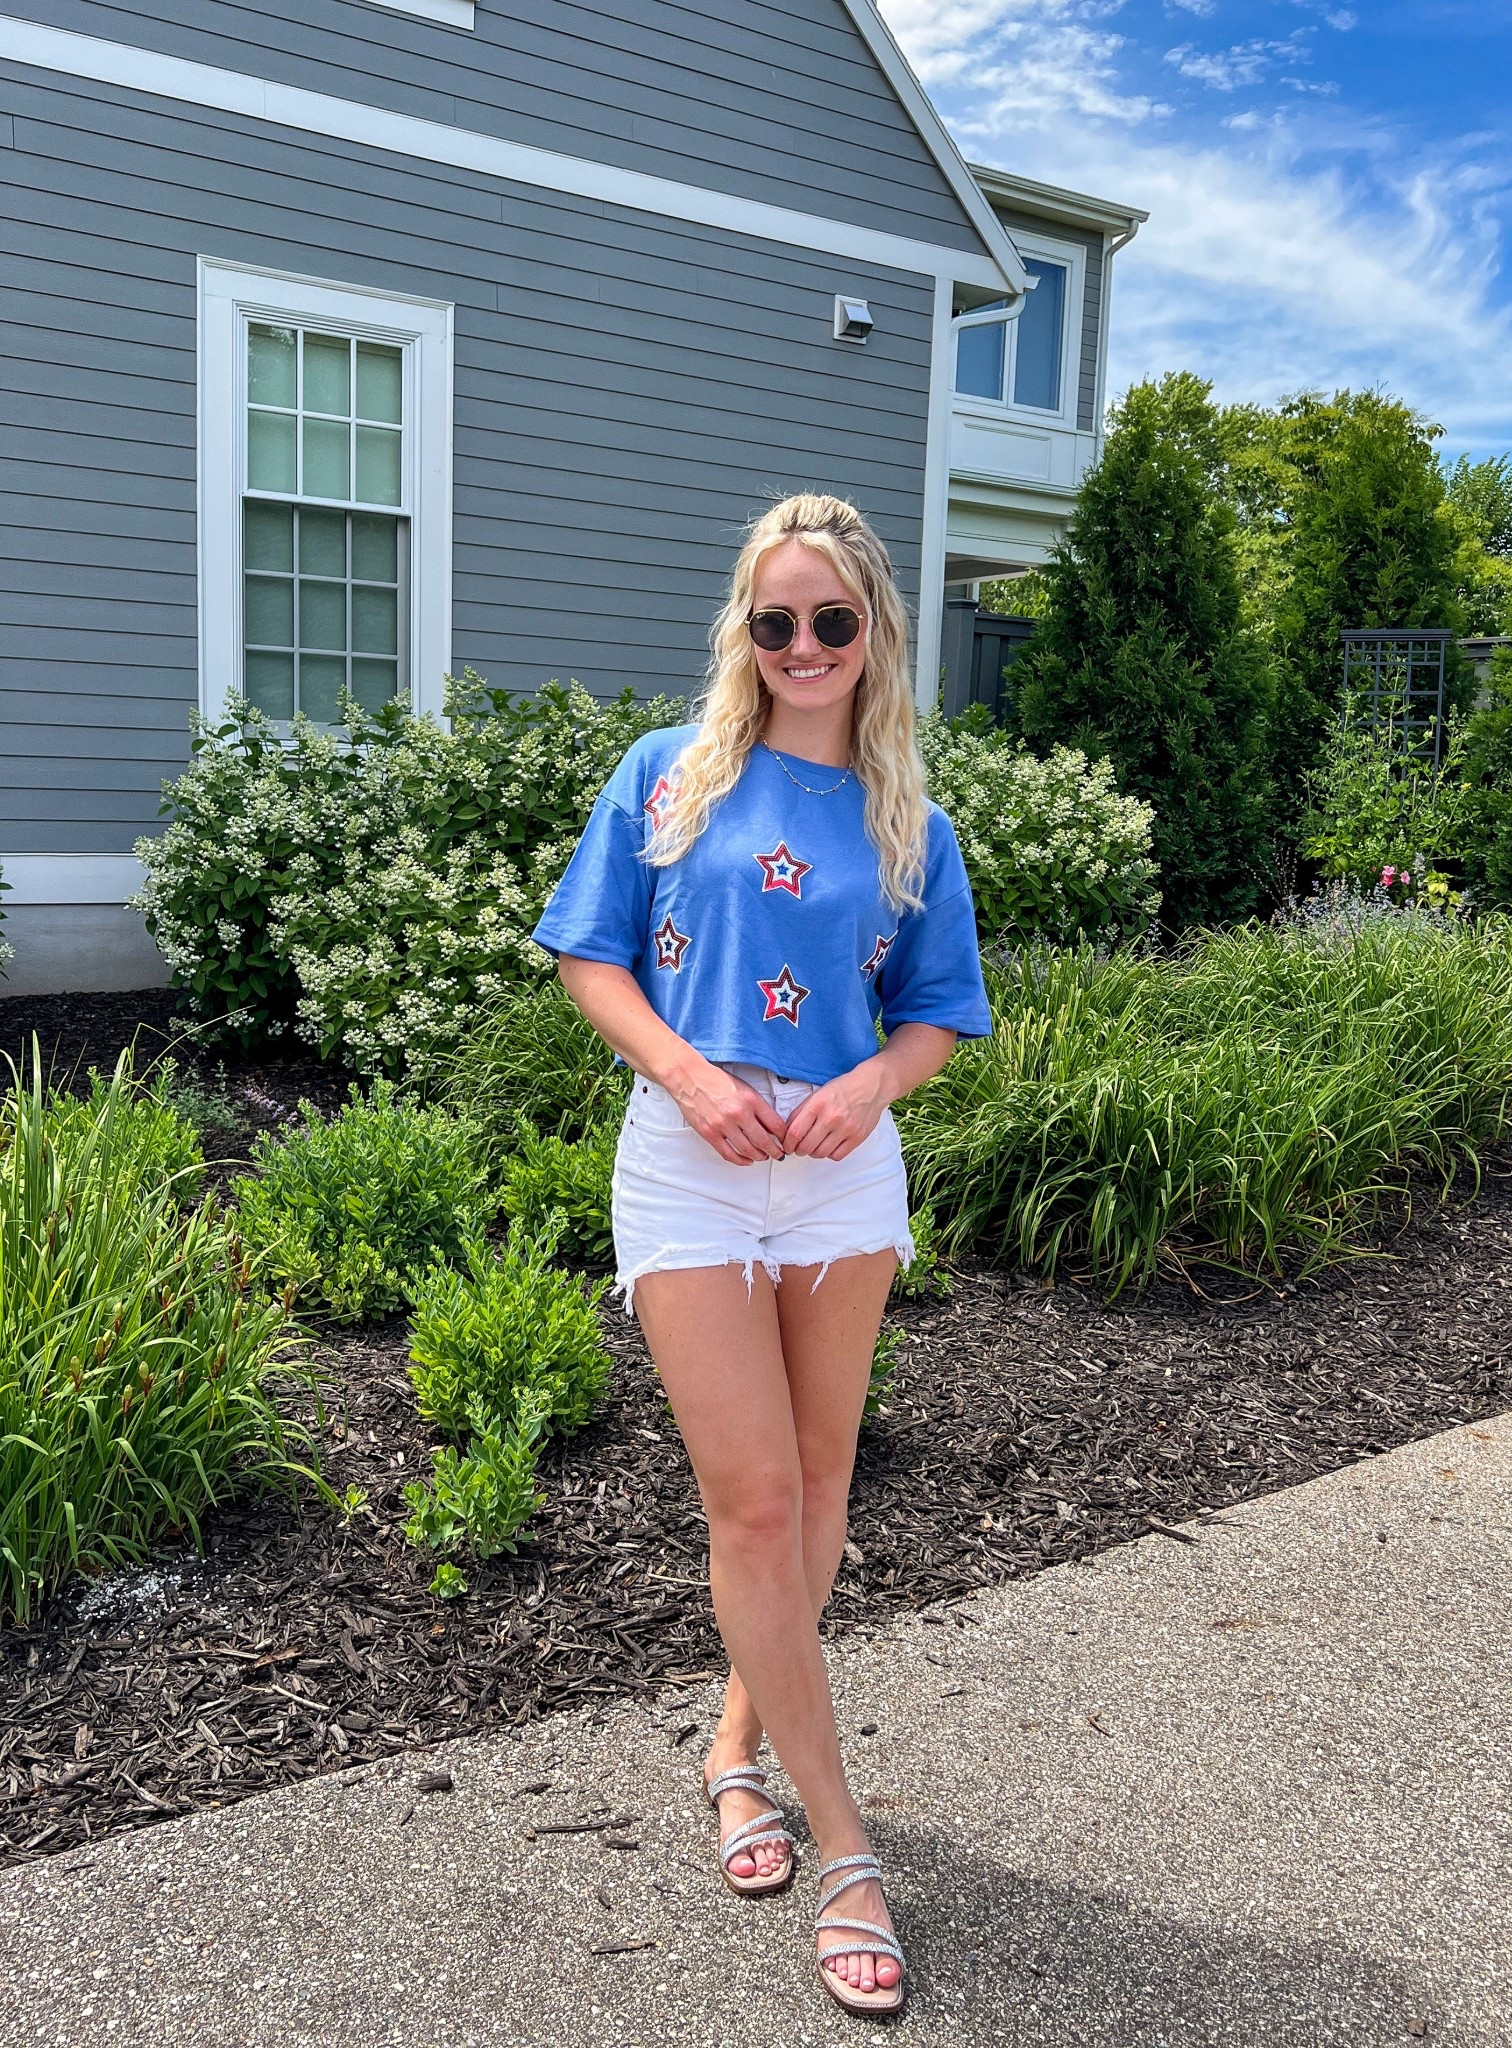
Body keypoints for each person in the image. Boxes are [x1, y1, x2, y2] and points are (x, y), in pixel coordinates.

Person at [533, 493, 990, 2018]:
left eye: (831, 622)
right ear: (746, 628)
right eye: (774, 619)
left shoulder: (907, 821)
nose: (801, 645)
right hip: (693, 1167)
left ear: (875, 640)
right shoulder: (671, 778)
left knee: (820, 1480)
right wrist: (690, 1075)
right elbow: (590, 954)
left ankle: (733, 1753)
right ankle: (845, 1842)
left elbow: (933, 1011)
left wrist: (874, 1082)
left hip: (844, 1181)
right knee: (752, 1496)